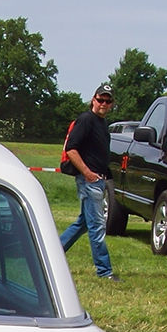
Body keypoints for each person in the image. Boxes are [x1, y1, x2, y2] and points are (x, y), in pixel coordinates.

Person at [59, 83, 119, 281]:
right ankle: (105, 271)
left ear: (111, 104)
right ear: (93, 99)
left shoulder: (102, 123)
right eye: (100, 99)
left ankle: (52, 255)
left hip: (98, 180)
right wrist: (87, 172)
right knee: (97, 226)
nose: (103, 103)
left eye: (107, 101)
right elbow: (71, 149)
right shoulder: (86, 120)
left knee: (84, 223)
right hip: (90, 181)